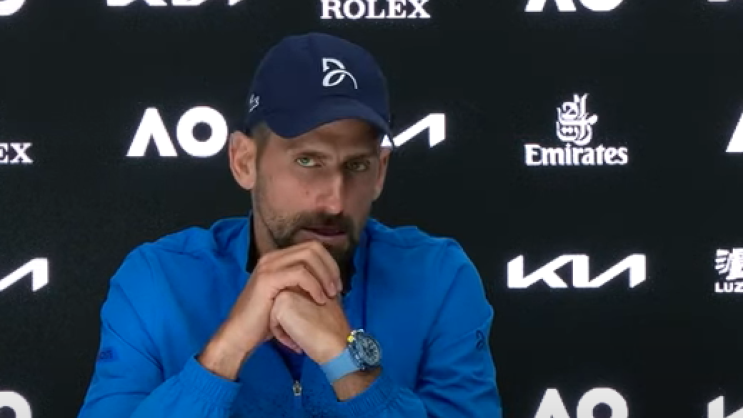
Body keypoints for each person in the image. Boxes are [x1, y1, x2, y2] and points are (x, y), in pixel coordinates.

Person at [77, 32, 503, 418]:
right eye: (307, 161)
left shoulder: (438, 278)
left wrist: (344, 359)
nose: (335, 200)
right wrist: (227, 350)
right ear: (244, 161)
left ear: (381, 171)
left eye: (357, 165)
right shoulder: (156, 281)